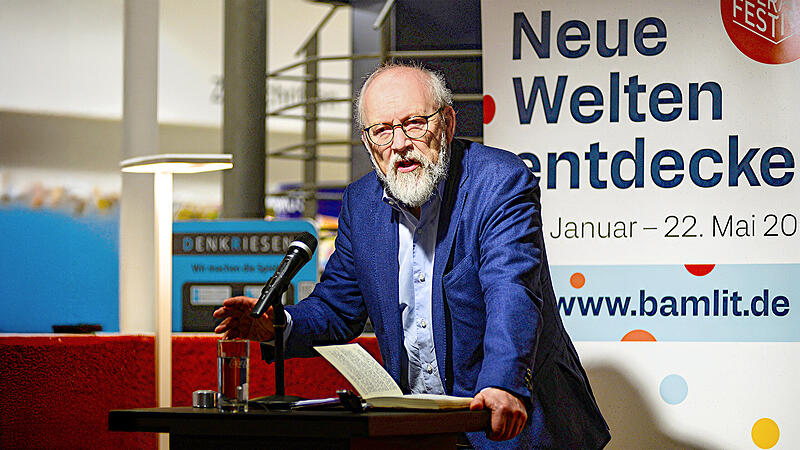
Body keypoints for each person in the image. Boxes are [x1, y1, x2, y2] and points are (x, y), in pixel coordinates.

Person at [214, 62, 610, 448]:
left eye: (415, 123)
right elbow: (337, 309)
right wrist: (276, 325)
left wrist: (501, 382)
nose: (400, 144)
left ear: (448, 123)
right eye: (382, 131)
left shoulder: (498, 181)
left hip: (512, 427)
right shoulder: (360, 203)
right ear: (369, 143)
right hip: (417, 430)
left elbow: (513, 292)